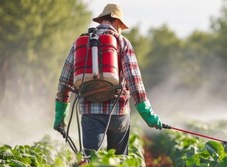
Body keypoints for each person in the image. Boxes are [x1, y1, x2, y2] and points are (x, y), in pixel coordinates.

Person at [53, 3, 163, 156]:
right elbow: (134, 82)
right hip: (119, 112)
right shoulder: (122, 42)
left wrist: (60, 116)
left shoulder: (81, 43)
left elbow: (65, 82)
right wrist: (148, 115)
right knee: (119, 162)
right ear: (117, 22)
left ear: (102, 20)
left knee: (91, 160)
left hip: (90, 111)